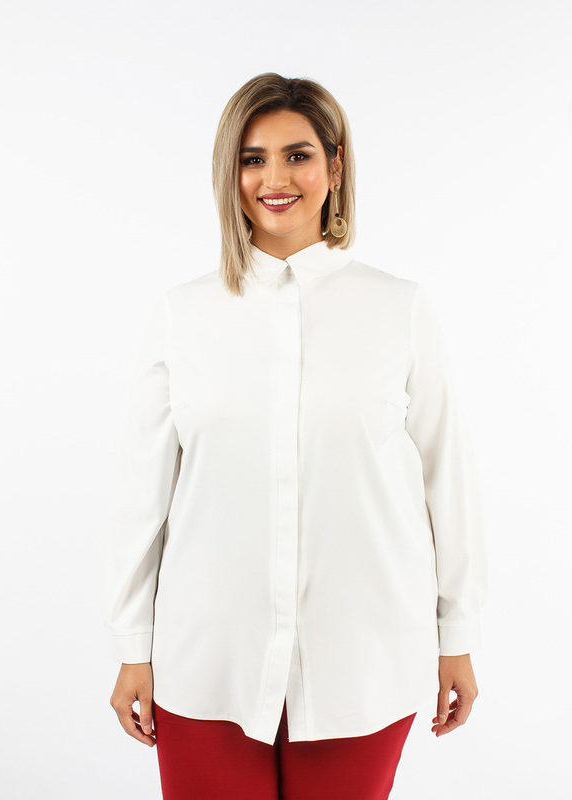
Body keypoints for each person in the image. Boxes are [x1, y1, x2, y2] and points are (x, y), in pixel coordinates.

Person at [104, 72, 489, 800]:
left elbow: (449, 482)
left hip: (364, 659)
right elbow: (141, 499)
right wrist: (132, 646)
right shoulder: (182, 314)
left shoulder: (399, 309)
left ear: (335, 168)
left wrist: (458, 635)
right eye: (252, 159)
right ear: (230, 174)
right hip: (208, 661)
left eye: (298, 155)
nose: (274, 179)